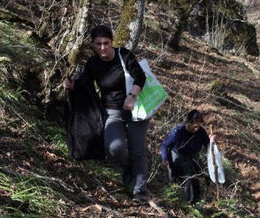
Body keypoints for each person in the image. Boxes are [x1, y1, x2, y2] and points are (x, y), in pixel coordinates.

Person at [64, 24, 150, 201]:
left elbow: (140, 76)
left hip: (136, 109)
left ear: (111, 42)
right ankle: (129, 169)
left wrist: (132, 96)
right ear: (93, 44)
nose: (103, 47)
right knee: (113, 148)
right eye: (98, 44)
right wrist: (72, 86)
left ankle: (140, 191)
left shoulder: (124, 55)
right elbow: (86, 86)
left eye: (106, 43)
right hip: (111, 112)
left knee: (137, 151)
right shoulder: (93, 63)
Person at [161, 110, 212, 203]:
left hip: (193, 156)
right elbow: (164, 145)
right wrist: (164, 159)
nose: (197, 129)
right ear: (188, 123)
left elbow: (208, 145)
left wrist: (212, 142)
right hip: (178, 156)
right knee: (189, 177)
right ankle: (189, 202)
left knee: (205, 174)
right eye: (195, 126)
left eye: (199, 125)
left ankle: (201, 200)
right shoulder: (178, 132)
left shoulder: (201, 132)